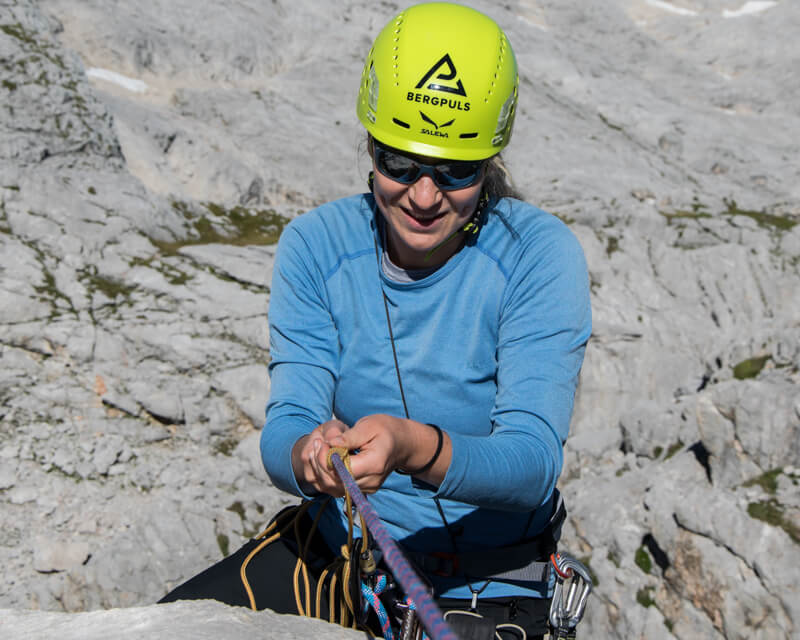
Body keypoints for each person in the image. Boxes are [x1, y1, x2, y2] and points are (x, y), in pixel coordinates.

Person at [160, 3, 591, 638]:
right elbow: (287, 423)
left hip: (488, 582)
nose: (423, 195)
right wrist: (309, 456)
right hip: (339, 553)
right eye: (399, 164)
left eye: (456, 172)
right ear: (370, 145)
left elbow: (531, 463)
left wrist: (411, 447)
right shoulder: (317, 246)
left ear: (490, 162)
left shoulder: (538, 256)